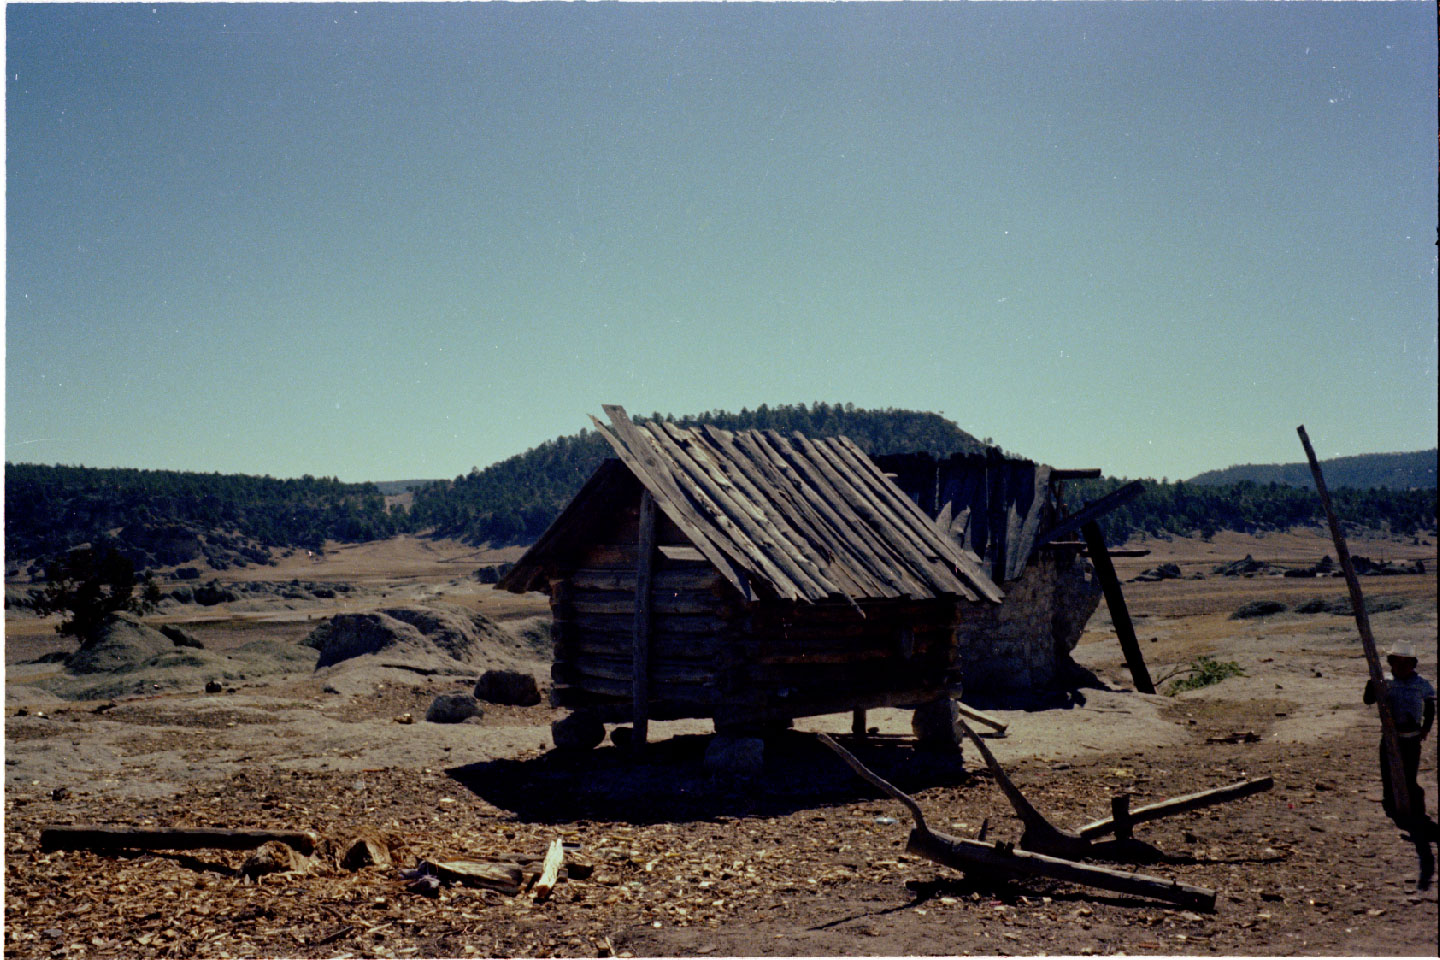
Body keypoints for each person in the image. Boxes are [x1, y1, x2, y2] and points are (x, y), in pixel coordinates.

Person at [1363, 641, 1436, 824]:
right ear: (1391, 662)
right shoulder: (1385, 681)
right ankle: (1392, 807)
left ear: (1413, 664)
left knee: (1409, 775)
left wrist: (1426, 727)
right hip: (1389, 738)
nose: (1402, 667)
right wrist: (1371, 685)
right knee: (1387, 773)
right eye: (1398, 662)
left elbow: (1429, 706)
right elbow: (1368, 700)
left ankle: (1415, 811)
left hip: (1411, 739)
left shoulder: (1421, 683)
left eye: (1407, 662)